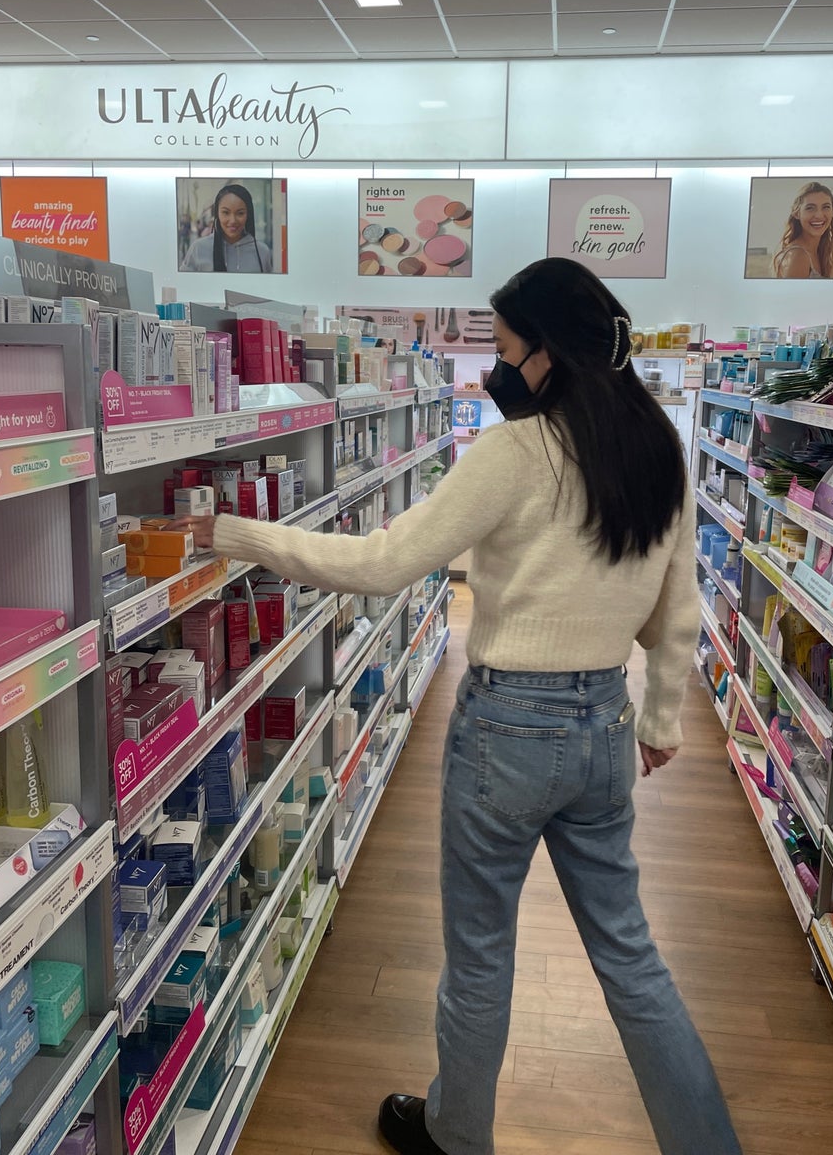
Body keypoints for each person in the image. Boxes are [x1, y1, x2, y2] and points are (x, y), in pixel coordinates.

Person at [170, 257, 742, 1155]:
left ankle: (457, 1137)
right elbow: (677, 610)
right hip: (604, 725)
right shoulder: (657, 450)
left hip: (508, 730)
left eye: (506, 351)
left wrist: (234, 533)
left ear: (549, 354)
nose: (493, 373)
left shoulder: (516, 454)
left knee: (480, 955)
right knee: (632, 960)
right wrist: (662, 717)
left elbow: (384, 563)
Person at [179, 183, 273, 273]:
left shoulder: (262, 252)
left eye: (240, 213)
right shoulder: (198, 249)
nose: (233, 220)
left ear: (248, 215)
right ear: (217, 214)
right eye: (226, 212)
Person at [773, 180, 833, 279]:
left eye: (826, 207)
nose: (819, 215)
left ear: (832, 212)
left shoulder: (821, 252)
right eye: (810, 208)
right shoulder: (798, 256)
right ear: (797, 213)